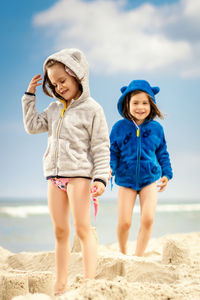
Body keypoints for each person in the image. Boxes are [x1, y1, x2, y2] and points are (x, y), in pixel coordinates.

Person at [22, 48, 110, 295]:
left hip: (80, 176)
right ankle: (60, 283)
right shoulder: (52, 109)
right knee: (60, 231)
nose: (59, 87)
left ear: (77, 75)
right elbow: (32, 126)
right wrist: (29, 96)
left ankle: (89, 281)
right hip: (54, 177)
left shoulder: (93, 109)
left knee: (82, 228)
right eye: (53, 83)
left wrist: (101, 178)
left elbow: (101, 147)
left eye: (62, 80)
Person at [110, 79, 173, 256]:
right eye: (135, 102)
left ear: (151, 105)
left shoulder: (156, 129)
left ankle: (138, 256)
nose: (140, 107)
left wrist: (167, 174)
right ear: (127, 104)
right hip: (126, 181)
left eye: (145, 103)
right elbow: (112, 152)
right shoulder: (119, 128)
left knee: (148, 219)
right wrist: (110, 169)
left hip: (149, 180)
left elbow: (163, 153)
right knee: (124, 223)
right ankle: (123, 253)